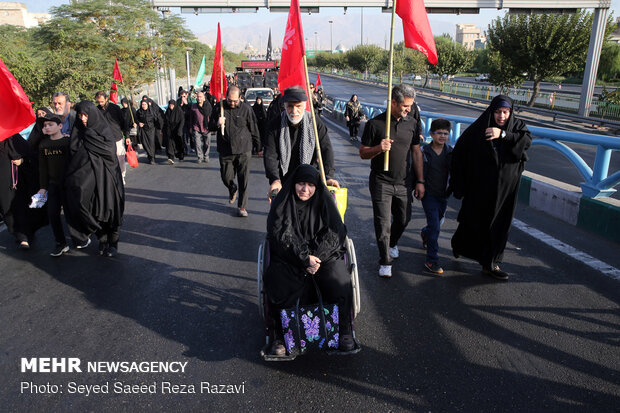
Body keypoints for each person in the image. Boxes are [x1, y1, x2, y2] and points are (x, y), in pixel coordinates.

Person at [264, 164, 355, 355]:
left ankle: (344, 330)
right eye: (301, 184)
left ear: (317, 187)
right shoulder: (283, 202)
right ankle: (279, 335)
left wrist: (316, 258)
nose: (305, 189)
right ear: (293, 184)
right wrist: (304, 258)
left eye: (311, 185)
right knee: (277, 278)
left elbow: (335, 232)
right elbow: (280, 234)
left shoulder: (324, 202)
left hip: (322, 257)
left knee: (339, 277)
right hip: (291, 257)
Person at [450, 95, 532, 280]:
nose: (501, 116)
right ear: (491, 111)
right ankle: (459, 245)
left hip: (506, 189)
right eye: (497, 112)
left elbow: (526, 141)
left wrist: (503, 135)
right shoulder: (480, 128)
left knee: (499, 223)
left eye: (505, 112)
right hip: (480, 187)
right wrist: (459, 182)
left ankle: (490, 263)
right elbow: (460, 153)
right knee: (474, 221)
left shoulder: (517, 126)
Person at [360, 84, 425, 278]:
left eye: (411, 106)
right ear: (393, 102)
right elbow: (363, 153)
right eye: (405, 106)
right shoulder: (375, 124)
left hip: (405, 183)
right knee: (383, 223)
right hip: (381, 181)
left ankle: (393, 243)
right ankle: (385, 261)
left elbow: (416, 152)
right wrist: (379, 148)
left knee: (404, 219)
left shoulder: (412, 123)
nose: (408, 109)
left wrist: (420, 180)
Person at [64, 101, 125, 257]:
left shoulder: (103, 130)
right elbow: (73, 154)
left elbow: (109, 153)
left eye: (85, 115)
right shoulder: (78, 132)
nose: (83, 118)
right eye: (80, 115)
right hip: (88, 182)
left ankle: (113, 243)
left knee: (111, 210)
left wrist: (90, 138)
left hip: (108, 180)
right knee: (92, 210)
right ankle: (102, 240)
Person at [263, 86, 340, 200]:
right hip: (284, 180)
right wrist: (275, 179)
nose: (294, 111)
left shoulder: (315, 123)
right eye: (290, 106)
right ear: (285, 106)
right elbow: (270, 155)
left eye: (298, 106)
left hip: (309, 181)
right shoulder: (275, 124)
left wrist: (328, 177)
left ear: (304, 105)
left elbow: (326, 150)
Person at [209, 85, 260, 217]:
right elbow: (209, 126)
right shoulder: (219, 108)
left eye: (235, 101)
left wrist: (258, 146)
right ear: (226, 97)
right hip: (225, 150)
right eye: (230, 100)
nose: (232, 103)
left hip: (243, 150)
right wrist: (217, 123)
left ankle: (242, 207)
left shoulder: (246, 110)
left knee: (244, 180)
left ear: (240, 98)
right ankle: (232, 188)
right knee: (226, 177)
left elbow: (254, 128)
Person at [0, 134, 46, 249]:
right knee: (5, 209)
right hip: (3, 187)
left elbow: (32, 156)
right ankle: (19, 233)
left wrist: (22, 160)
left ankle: (24, 237)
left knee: (20, 207)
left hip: (19, 184)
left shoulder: (14, 139)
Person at [420, 119, 453, 275]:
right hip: (429, 195)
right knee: (435, 226)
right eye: (439, 133)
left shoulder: (451, 152)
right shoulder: (423, 152)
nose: (442, 136)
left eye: (445, 133)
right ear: (431, 134)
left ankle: (425, 233)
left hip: (443, 195)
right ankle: (431, 260)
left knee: (437, 222)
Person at [36, 113, 72, 256]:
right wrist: (43, 187)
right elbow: (42, 168)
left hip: (68, 184)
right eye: (45, 125)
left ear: (60, 126)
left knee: (73, 213)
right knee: (52, 214)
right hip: (53, 184)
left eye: (50, 124)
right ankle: (61, 243)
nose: (47, 127)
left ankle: (81, 237)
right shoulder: (43, 145)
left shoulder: (67, 142)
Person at [95, 91, 126, 184]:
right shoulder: (97, 110)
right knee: (110, 159)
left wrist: (127, 136)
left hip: (117, 137)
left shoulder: (115, 108)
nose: (100, 103)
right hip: (104, 139)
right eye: (98, 102)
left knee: (120, 158)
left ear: (106, 99)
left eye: (102, 101)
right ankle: (112, 177)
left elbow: (123, 122)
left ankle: (122, 175)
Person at [190, 91, 212, 164]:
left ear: (204, 98)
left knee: (207, 143)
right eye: (198, 97)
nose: (199, 98)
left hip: (206, 128)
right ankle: (200, 157)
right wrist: (190, 127)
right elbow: (191, 117)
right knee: (197, 144)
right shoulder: (194, 106)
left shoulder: (208, 106)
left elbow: (211, 117)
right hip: (196, 128)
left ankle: (206, 156)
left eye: (200, 97)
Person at [164, 100, 185, 164]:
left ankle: (180, 156)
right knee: (170, 144)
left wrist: (180, 129)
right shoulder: (167, 111)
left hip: (177, 130)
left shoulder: (179, 111)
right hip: (170, 130)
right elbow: (165, 121)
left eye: (172, 105)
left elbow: (182, 120)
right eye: (170, 105)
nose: (171, 107)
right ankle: (171, 157)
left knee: (179, 144)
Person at [136, 100, 156, 164]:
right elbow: (136, 119)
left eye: (145, 104)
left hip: (151, 129)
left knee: (151, 143)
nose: (144, 106)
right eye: (142, 104)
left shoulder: (151, 111)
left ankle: (152, 158)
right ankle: (149, 155)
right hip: (143, 129)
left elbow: (156, 119)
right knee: (145, 143)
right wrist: (139, 123)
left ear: (147, 105)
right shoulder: (139, 112)